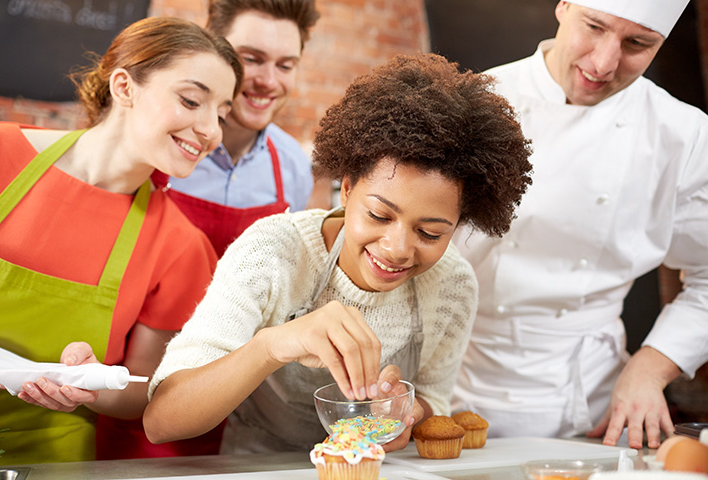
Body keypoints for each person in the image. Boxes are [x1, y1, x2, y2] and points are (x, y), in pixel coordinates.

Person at [143, 53, 533, 454]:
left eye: (430, 232)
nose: (397, 249)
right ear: (346, 189)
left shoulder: (452, 286)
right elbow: (162, 420)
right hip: (257, 466)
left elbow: (434, 400)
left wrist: (407, 411)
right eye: (379, 215)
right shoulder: (273, 252)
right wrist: (272, 346)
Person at [451, 0, 708, 450]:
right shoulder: (474, 102)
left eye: (637, 44)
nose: (604, 63)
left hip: (593, 405)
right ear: (563, 7)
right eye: (594, 27)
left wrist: (651, 367)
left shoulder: (683, 135)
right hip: (451, 384)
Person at [0, 17, 242, 465]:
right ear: (124, 87)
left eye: (221, 113)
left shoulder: (179, 245)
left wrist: (94, 385)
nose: (212, 131)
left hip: (50, 460)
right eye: (191, 100)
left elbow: (146, 388)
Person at [154, 0, 321, 256]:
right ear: (214, 48)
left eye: (285, 65)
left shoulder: (295, 167)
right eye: (252, 59)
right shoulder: (160, 143)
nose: (268, 81)